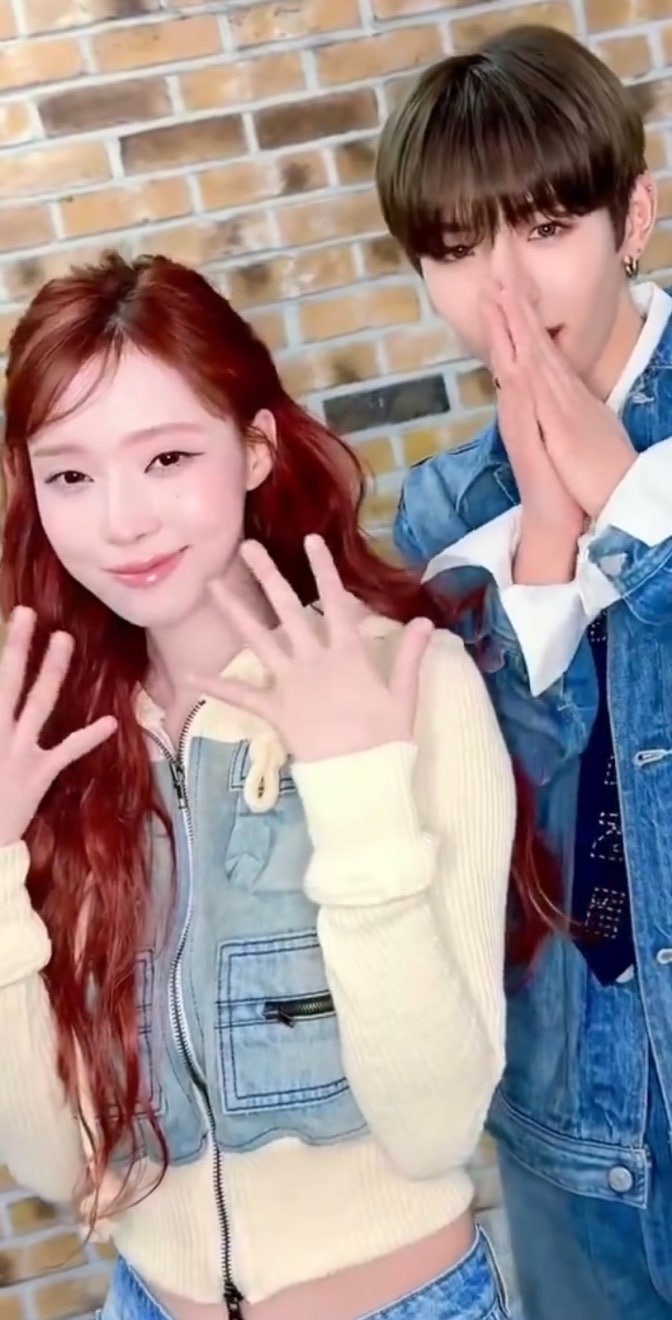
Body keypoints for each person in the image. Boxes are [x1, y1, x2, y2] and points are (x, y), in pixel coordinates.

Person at [0, 250, 529, 1320]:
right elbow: (55, 1164)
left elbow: (433, 1128)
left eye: (166, 458)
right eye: (70, 475)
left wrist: (355, 787)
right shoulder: (47, 740)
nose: (121, 521)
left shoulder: (403, 681)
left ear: (252, 449)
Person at [376, 23, 672, 1320]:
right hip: (569, 1160)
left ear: (628, 216)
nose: (502, 287)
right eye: (453, 247)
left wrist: (633, 505)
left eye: (542, 228)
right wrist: (539, 543)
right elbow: (489, 843)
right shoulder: (443, 512)